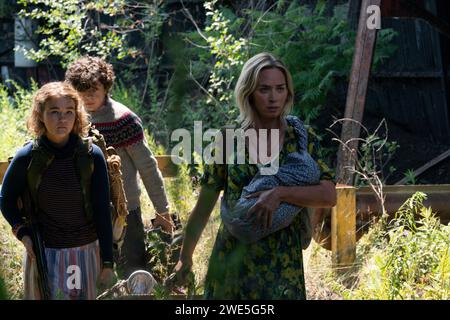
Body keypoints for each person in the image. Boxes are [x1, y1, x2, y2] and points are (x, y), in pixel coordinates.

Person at [172, 52, 336, 299]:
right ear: (249, 93)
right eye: (264, 89)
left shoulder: (300, 137)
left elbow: (328, 194)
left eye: (280, 89)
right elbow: (205, 204)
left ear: (288, 93)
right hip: (232, 260)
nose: (273, 98)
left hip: (283, 264)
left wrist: (280, 194)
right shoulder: (229, 139)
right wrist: (185, 257)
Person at [0, 82, 114, 299]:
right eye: (54, 112)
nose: (62, 118)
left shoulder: (92, 156)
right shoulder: (27, 157)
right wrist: (23, 234)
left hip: (85, 252)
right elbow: (6, 199)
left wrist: (107, 262)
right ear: (40, 115)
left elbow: (102, 210)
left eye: (69, 112)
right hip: (44, 253)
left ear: (77, 115)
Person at [65, 56, 174, 277]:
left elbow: (148, 168)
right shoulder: (69, 121)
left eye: (94, 88)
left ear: (105, 86)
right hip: (83, 215)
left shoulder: (123, 120)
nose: (89, 95)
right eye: (82, 90)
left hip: (124, 213)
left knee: (132, 276)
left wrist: (162, 211)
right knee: (89, 279)